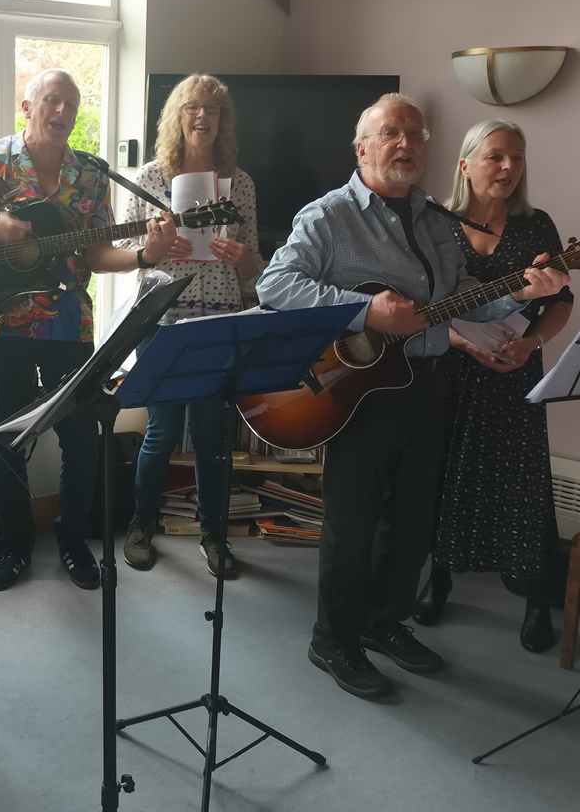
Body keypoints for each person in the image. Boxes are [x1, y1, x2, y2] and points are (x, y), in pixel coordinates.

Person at [256, 93, 570, 699]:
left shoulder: (433, 219)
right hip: (357, 394)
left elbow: (465, 296)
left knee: (410, 523)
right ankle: (334, 639)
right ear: (363, 148)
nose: (405, 144)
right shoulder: (327, 216)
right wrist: (363, 309)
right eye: (391, 133)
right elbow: (277, 284)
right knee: (352, 524)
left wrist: (524, 292)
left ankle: (383, 622)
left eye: (416, 135)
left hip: (429, 387)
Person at [0, 69, 180, 592]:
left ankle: (74, 541)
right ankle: (13, 544)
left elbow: (95, 253)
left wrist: (145, 254)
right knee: (4, 439)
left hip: (67, 323)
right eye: (52, 101)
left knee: (80, 439)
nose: (62, 113)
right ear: (28, 108)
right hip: (1, 320)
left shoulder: (91, 175)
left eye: (71, 104)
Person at [413, 120, 573, 652]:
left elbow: (561, 303)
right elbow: (424, 305)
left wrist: (531, 345)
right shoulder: (435, 223)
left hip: (514, 373)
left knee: (522, 486)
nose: (509, 168)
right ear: (465, 163)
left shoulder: (536, 225)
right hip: (449, 371)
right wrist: (461, 344)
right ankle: (440, 580)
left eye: (518, 158)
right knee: (445, 474)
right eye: (496, 156)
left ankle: (532, 598)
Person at [117, 74, 259, 577]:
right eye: (192, 107)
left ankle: (213, 534)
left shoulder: (240, 183)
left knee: (212, 434)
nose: (202, 117)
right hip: (164, 318)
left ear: (223, 121)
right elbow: (130, 255)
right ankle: (140, 524)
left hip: (220, 318)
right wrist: (152, 253)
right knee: (160, 432)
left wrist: (243, 258)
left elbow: (254, 268)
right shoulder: (147, 178)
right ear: (177, 117)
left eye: (213, 109)